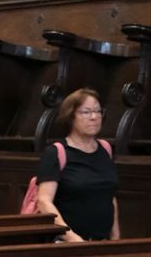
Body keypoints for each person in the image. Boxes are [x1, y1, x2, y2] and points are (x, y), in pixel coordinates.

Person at [36, 88, 120, 242]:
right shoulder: (56, 152)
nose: (94, 117)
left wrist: (115, 237)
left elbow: (109, 196)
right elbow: (44, 200)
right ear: (71, 117)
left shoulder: (106, 149)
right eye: (86, 112)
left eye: (98, 111)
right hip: (66, 243)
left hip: (102, 241)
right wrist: (71, 237)